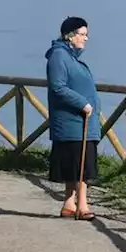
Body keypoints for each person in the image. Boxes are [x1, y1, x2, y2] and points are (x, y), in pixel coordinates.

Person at [46, 15, 100, 219]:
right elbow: (58, 87)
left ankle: (69, 203)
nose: (86, 38)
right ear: (70, 36)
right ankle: (82, 205)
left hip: (80, 121)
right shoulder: (59, 56)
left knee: (76, 165)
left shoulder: (70, 57)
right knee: (81, 167)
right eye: (82, 34)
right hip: (73, 121)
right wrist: (83, 103)